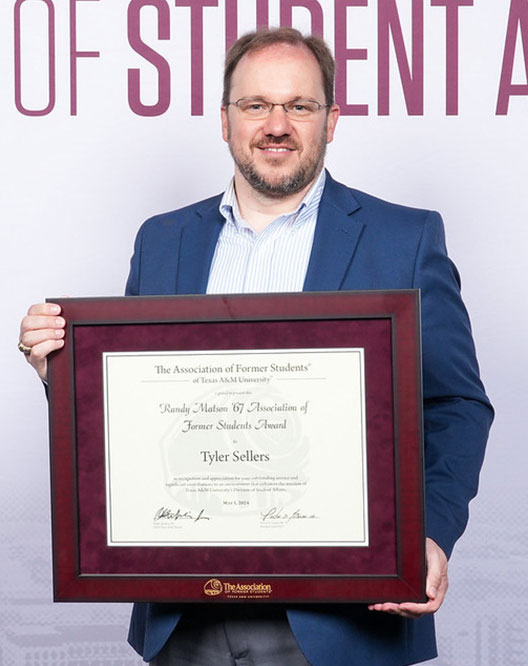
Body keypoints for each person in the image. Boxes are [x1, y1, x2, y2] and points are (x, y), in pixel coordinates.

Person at [19, 27, 493, 666]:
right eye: (256, 105)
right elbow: (133, 410)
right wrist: (63, 371)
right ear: (224, 120)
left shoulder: (404, 238)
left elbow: (458, 404)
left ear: (332, 120)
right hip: (184, 613)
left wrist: (430, 536)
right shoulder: (162, 241)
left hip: (345, 625)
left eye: (299, 106)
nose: (278, 124)